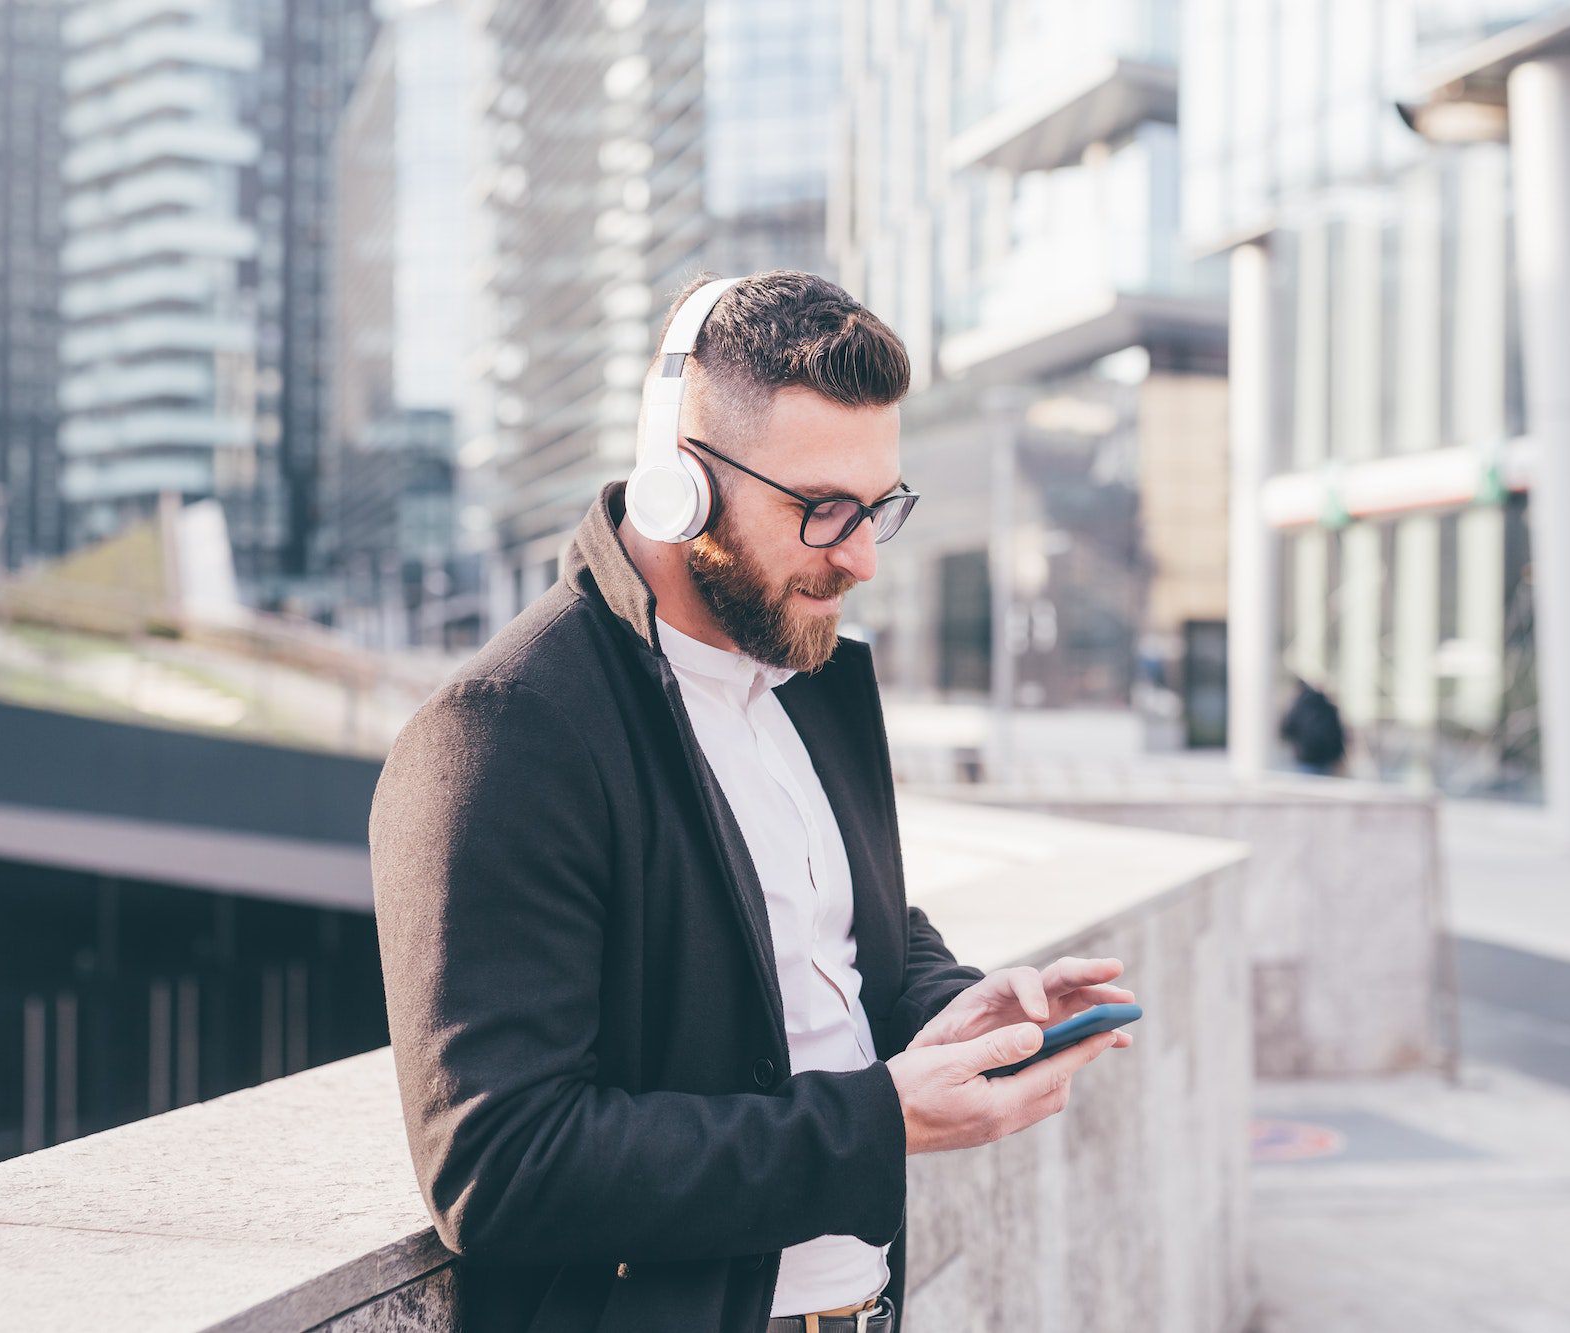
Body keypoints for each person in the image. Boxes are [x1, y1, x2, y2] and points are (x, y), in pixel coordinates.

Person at [369, 270, 1134, 1333]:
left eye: (878, 508)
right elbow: (498, 1164)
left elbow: (850, 932)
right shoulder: (505, 731)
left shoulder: (812, 682)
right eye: (821, 510)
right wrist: (877, 1121)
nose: (860, 556)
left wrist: (946, 1009)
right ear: (675, 484)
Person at [1279, 678, 1347, 776]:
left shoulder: (1299, 708)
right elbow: (1337, 735)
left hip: (1305, 758)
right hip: (1325, 760)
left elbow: (1287, 730)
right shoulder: (1328, 708)